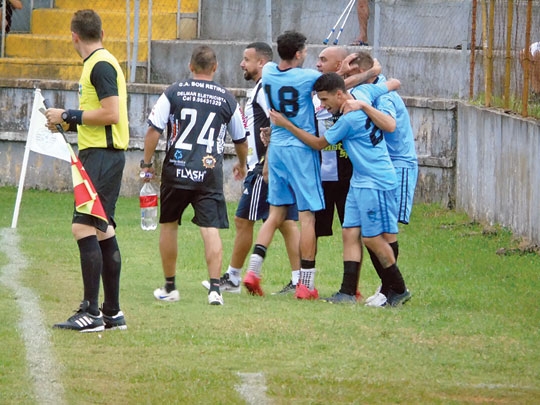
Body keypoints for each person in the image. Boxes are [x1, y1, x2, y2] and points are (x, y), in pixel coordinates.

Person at [270, 72, 411, 308]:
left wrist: (286, 125)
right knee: (349, 232)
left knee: (372, 237)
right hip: (359, 180)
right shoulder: (362, 92)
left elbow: (318, 144)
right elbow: (393, 82)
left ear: (338, 94)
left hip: (374, 181)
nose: (324, 106)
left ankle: (397, 288)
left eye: (325, 101)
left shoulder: (348, 120)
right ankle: (347, 292)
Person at [142, 45, 248, 306]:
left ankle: (170, 287)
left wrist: (146, 164)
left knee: (169, 225)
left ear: (190, 67)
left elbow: (154, 130)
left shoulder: (174, 92)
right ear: (215, 68)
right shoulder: (227, 98)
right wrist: (242, 164)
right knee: (209, 228)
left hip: (176, 170)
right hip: (208, 172)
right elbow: (241, 138)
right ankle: (214, 289)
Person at [45, 9, 129, 332]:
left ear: (73, 36)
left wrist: (70, 113)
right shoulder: (100, 62)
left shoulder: (101, 64)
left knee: (83, 228)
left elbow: (110, 113)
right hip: (102, 155)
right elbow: (102, 114)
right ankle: (112, 312)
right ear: (103, 33)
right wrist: (67, 121)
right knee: (103, 229)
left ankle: (91, 312)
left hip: (102, 157)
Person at [202, 42, 301, 295]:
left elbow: (275, 123)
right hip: (268, 164)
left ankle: (234, 278)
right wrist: (244, 162)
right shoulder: (262, 87)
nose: (241, 64)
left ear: (262, 63)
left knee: (243, 219)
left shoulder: (265, 88)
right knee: (285, 222)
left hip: (266, 167)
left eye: (246, 59)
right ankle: (299, 279)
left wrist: (265, 162)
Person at [242, 30, 324, 300]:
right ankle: (306, 284)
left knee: (276, 213)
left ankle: (253, 271)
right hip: (300, 150)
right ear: (299, 53)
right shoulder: (308, 77)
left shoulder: (269, 73)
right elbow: (335, 83)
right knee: (307, 216)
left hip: (276, 148)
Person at [340, 51, 418, 305]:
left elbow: (390, 125)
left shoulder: (382, 95)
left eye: (350, 75)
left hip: (396, 165)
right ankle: (378, 289)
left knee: (385, 231)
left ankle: (391, 290)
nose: (347, 84)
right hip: (374, 169)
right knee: (367, 230)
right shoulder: (371, 89)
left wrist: (363, 106)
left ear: (361, 71)